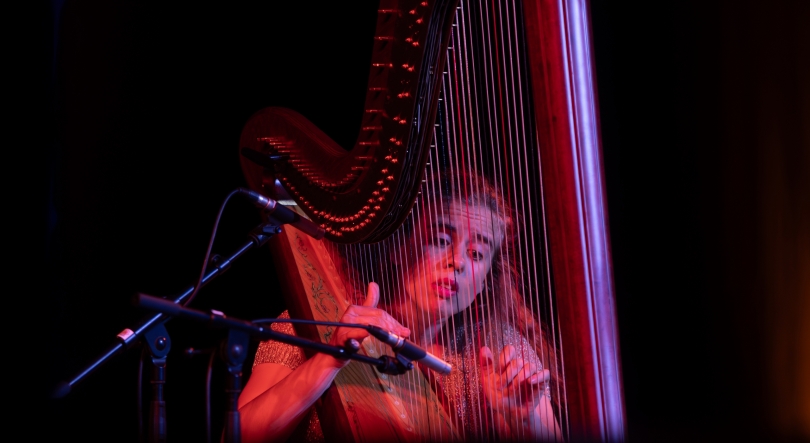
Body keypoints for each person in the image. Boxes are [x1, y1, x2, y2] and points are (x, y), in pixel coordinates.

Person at [237, 170, 562, 442]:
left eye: (477, 253)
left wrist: (526, 421)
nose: (458, 262)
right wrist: (329, 360)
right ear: (397, 248)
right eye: (441, 240)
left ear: (486, 279)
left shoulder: (499, 347)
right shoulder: (309, 323)